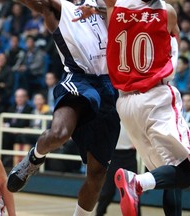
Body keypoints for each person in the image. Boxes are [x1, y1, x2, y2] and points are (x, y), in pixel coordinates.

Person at [75, 0, 190, 216]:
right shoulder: (167, 12)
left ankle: (140, 182)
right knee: (182, 172)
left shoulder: (116, 8)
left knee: (166, 173)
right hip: (156, 96)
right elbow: (175, 34)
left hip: (126, 104)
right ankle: (136, 181)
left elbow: (111, 7)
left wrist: (95, 9)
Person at [7, 1, 120, 216]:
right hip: (78, 79)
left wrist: (98, 9)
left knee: (97, 174)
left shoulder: (107, 5)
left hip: (110, 86)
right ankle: (34, 158)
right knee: (59, 133)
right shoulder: (60, 8)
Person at [96, 123, 141, 216]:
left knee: (133, 192)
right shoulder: (111, 113)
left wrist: (139, 143)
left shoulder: (131, 113)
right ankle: (99, 213)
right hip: (114, 155)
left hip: (130, 156)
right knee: (108, 191)